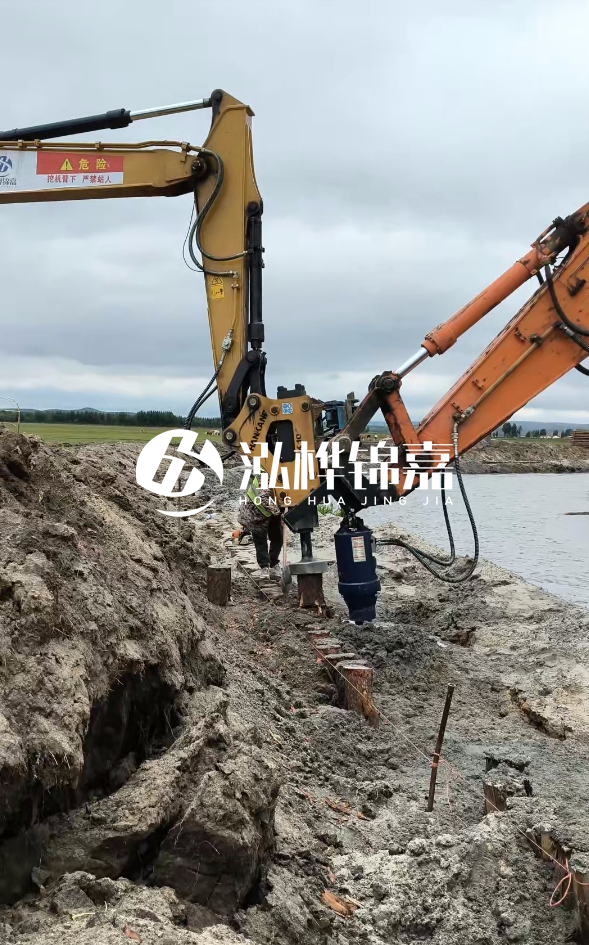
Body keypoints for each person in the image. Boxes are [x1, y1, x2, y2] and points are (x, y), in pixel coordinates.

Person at [238, 476, 283, 580]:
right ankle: (264, 566)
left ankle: (273, 563)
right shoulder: (266, 475)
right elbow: (263, 497)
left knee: (277, 537)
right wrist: (278, 512)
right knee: (260, 540)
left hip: (271, 510)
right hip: (255, 511)